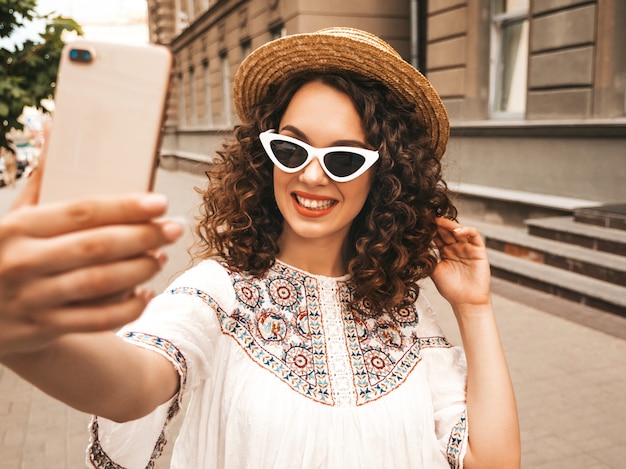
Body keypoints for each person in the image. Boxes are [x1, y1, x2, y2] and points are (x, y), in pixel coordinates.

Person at [0, 27, 520, 468]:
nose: (311, 175)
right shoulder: (218, 292)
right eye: (291, 148)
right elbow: (128, 385)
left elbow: (491, 460)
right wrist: (27, 335)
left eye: (343, 160)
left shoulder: (402, 311)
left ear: (382, 178)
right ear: (264, 155)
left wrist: (474, 308)